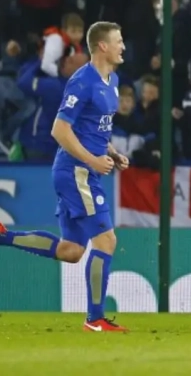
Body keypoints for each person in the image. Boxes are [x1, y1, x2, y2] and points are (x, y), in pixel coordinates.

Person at [0, 21, 129, 332]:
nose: (123, 46)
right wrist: (92, 161)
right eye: (119, 41)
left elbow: (94, 127)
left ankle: (3, 237)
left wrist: (110, 153)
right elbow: (60, 130)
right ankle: (95, 320)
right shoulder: (82, 81)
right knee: (107, 240)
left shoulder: (112, 79)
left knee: (72, 251)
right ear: (102, 46)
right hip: (76, 171)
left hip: (85, 169)